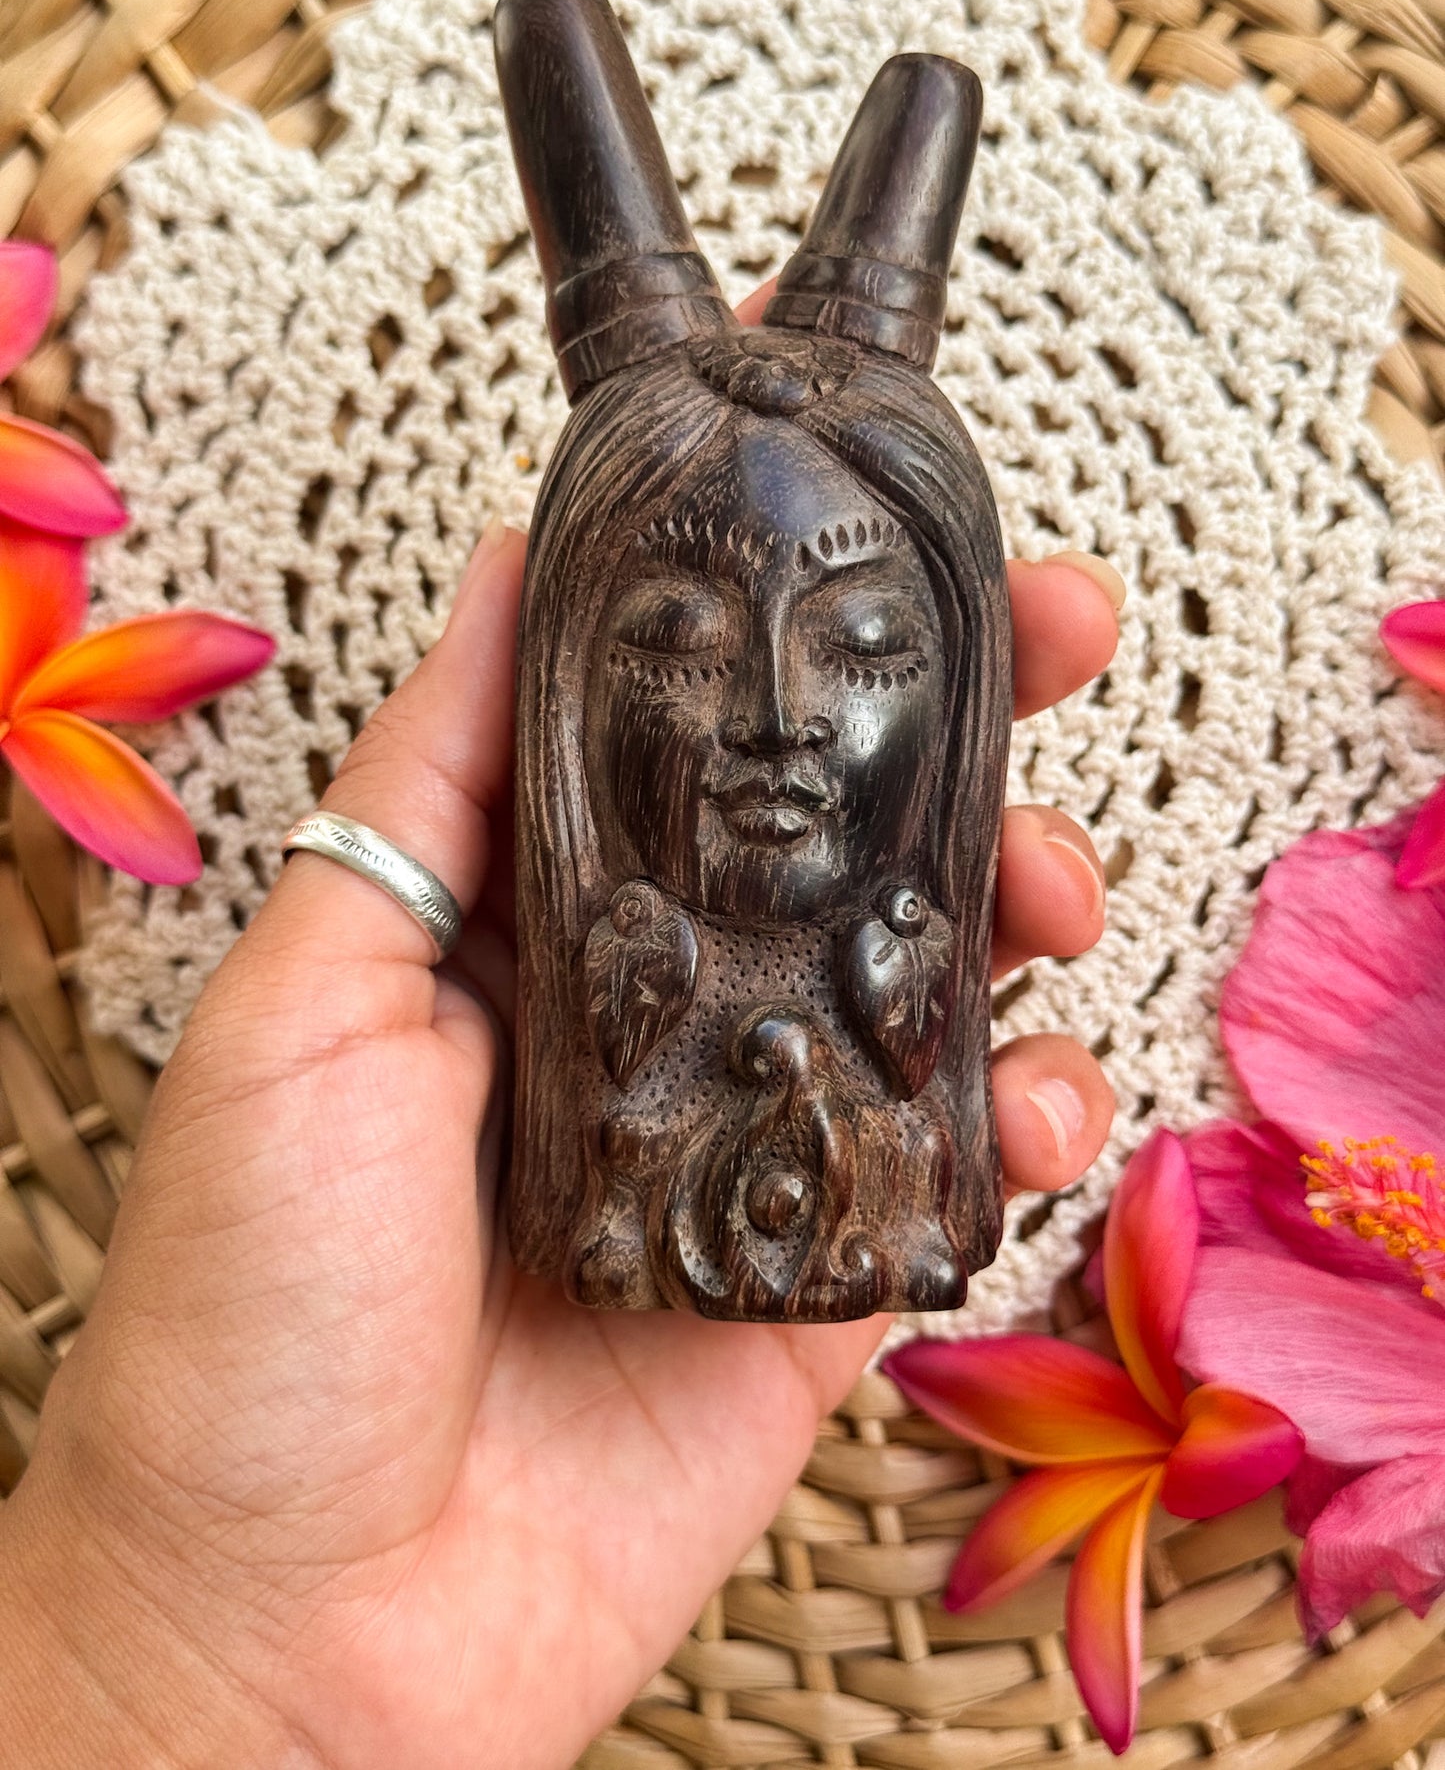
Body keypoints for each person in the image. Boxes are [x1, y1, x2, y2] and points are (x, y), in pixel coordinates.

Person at [0, 281, 1121, 1768]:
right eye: (681, 635)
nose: (774, 714)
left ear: (962, 696)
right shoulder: (593, 1021)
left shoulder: (899, 1014)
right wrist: (184, 1635)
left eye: (861, 640)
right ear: (565, 685)